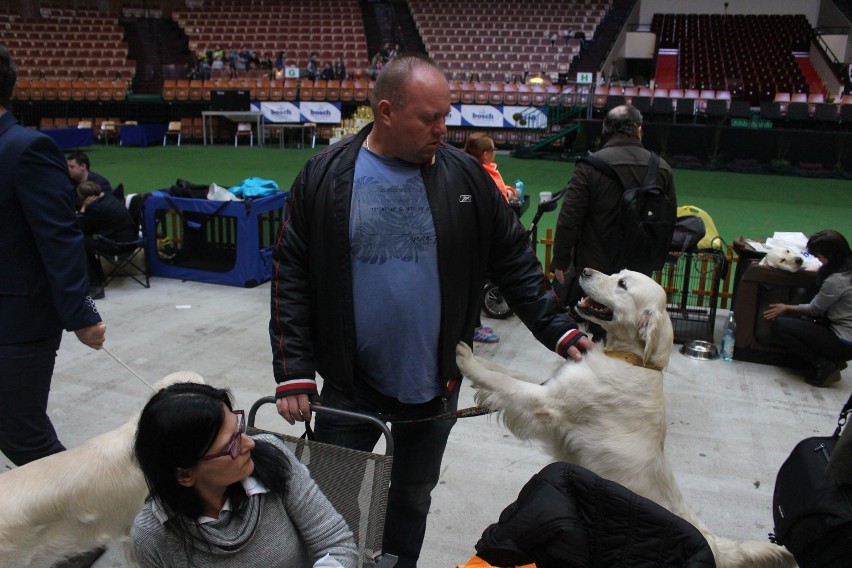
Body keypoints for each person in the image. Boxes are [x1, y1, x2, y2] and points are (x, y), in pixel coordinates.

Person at [269, 54, 591, 568]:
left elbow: (513, 260)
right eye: (430, 118)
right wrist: (292, 372)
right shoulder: (324, 176)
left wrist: (558, 330)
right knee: (328, 504)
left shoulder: (466, 176)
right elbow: (291, 276)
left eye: (447, 115)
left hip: (434, 388)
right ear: (386, 111)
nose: (444, 129)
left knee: (411, 501)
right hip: (349, 386)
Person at [0, 43, 106, 466]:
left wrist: (81, 314)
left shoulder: (27, 148)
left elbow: (60, 239)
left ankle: (90, 532)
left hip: (17, 324)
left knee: (24, 437)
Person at [131, 382, 358, 567]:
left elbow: (337, 545)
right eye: (230, 445)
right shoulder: (153, 535)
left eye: (239, 428)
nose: (249, 443)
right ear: (185, 475)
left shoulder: (272, 458)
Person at [551, 104, 677, 339]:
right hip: (639, 271)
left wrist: (560, 259)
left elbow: (569, 219)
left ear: (605, 130)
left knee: (601, 331)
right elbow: (668, 220)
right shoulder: (661, 168)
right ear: (639, 130)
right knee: (633, 333)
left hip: (599, 268)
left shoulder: (589, 166)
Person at [764, 230, 852, 387]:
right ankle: (834, 359)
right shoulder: (845, 268)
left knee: (781, 325)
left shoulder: (836, 281)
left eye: (818, 256)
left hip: (844, 340)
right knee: (799, 321)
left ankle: (824, 365)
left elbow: (814, 310)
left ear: (829, 256)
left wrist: (786, 307)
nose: (817, 259)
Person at [464, 132, 517, 344]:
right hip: (477, 241)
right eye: (493, 150)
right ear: (485, 155)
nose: (494, 153)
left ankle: (473, 325)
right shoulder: (483, 175)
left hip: (475, 239)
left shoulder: (469, 170)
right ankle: (473, 327)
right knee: (473, 287)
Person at [75, 180, 137, 300]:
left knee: (81, 243)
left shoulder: (95, 207)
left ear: (87, 198)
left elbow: (82, 226)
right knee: (88, 242)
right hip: (129, 239)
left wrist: (82, 209)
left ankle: (95, 285)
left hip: (118, 245)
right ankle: (99, 278)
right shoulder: (109, 198)